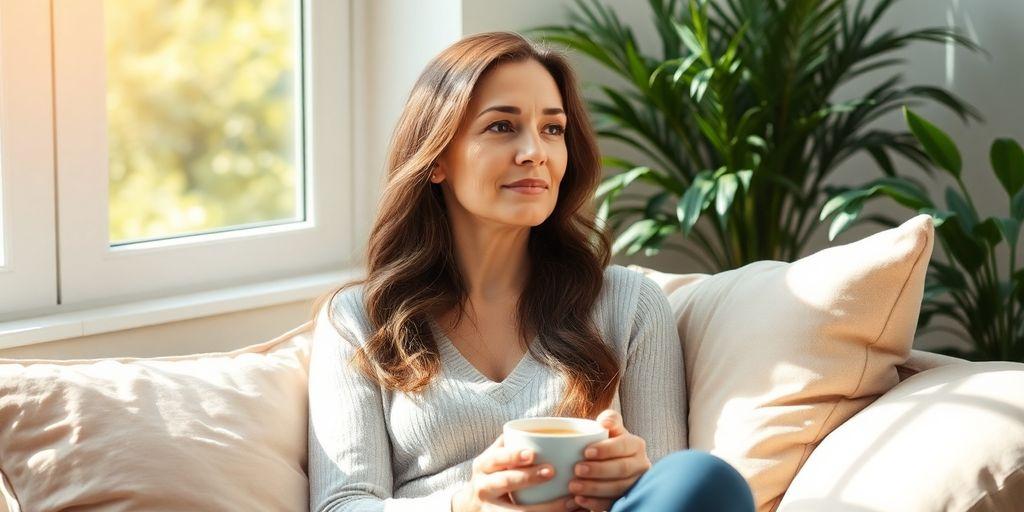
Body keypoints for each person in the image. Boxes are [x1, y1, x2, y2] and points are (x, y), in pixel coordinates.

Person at [307, 31, 755, 512]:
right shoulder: (359, 320)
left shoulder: (629, 304)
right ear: (437, 158)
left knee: (700, 476)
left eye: (553, 129)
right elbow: (342, 505)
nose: (535, 152)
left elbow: (670, 490)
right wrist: (467, 504)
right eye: (502, 127)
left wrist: (634, 475)